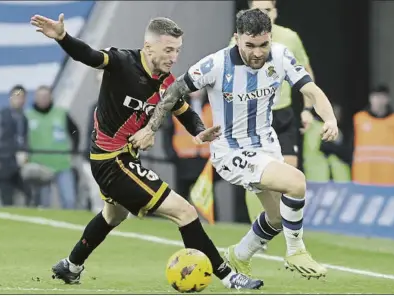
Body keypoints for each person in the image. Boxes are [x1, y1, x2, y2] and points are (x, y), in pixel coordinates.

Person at [30, 13, 263, 289]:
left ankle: (71, 265)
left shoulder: (167, 81)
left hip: (121, 158)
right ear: (148, 46)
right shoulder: (121, 62)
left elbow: (184, 111)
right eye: (168, 50)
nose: (174, 57)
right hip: (111, 161)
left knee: (113, 215)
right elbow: (89, 55)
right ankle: (228, 276)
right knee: (185, 212)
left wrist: (199, 131)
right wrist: (63, 38)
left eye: (177, 50)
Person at [131, 9, 337, 279]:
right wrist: (150, 127)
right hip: (232, 151)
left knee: (276, 218)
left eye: (263, 44)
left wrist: (330, 118)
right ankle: (296, 249)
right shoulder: (215, 64)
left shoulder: (282, 56)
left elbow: (310, 89)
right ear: (236, 38)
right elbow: (173, 91)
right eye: (249, 45)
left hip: (266, 144)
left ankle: (238, 255)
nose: (257, 53)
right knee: (296, 181)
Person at [230, 0, 316, 234]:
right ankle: (259, 226)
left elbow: (306, 72)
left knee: (290, 175)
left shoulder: (289, 38)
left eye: (267, 10)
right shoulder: (240, 39)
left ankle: (284, 227)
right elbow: (229, 74)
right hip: (255, 116)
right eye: (258, 11)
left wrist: (307, 109)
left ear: (275, 12)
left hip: (284, 113)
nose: (264, 14)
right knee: (257, 176)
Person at [25, 85, 79, 209]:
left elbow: (75, 131)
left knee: (69, 201)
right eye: (40, 96)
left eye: (46, 96)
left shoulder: (61, 113)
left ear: (50, 97)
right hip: (40, 165)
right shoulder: (28, 116)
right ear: (36, 98)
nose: (43, 99)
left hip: (62, 164)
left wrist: (74, 151)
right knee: (44, 204)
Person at [0, 85, 31, 206]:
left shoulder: (24, 118)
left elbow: (24, 139)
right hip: (1, 161)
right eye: (16, 96)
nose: (19, 100)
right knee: (6, 197)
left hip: (16, 164)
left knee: (28, 193)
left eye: (21, 97)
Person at [352, 85, 394, 185]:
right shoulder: (359, 119)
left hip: (391, 179)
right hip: (364, 177)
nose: (379, 101)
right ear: (370, 98)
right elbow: (351, 147)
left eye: (382, 97)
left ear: (388, 99)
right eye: (376, 97)